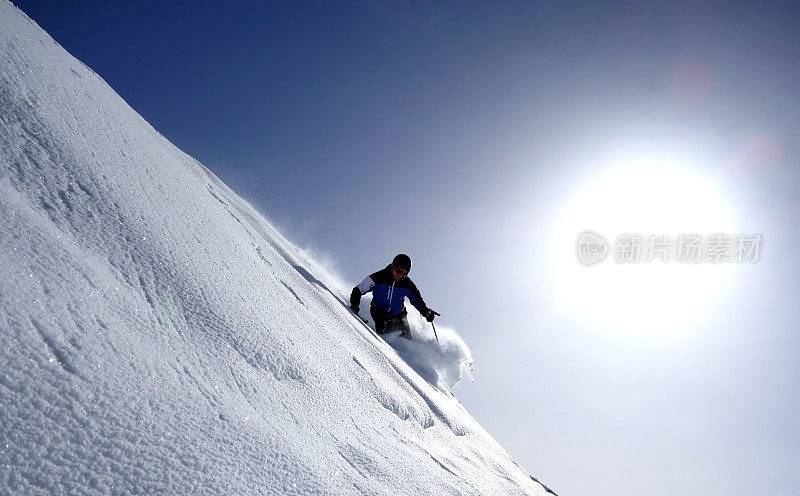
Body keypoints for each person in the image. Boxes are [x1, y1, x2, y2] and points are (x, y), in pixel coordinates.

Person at [350, 254, 435, 338]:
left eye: (403, 272)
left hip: (399, 315)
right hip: (379, 311)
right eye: (398, 270)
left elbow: (417, 300)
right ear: (393, 266)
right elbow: (358, 290)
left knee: (406, 338)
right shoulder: (378, 277)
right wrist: (354, 307)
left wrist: (425, 312)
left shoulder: (408, 285)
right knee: (384, 333)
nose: (399, 274)